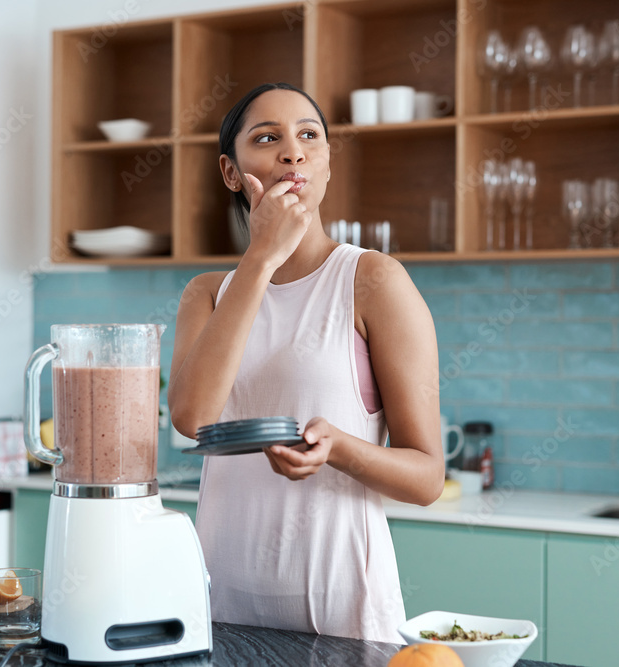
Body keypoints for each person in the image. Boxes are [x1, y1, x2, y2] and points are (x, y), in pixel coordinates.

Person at [167, 82, 443, 643]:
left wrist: (338, 448)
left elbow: (426, 477)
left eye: (308, 137)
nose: (292, 152)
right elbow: (192, 416)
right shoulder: (207, 294)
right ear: (230, 171)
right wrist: (262, 257)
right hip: (220, 598)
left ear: (326, 165)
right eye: (267, 138)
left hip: (341, 607)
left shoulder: (373, 281)